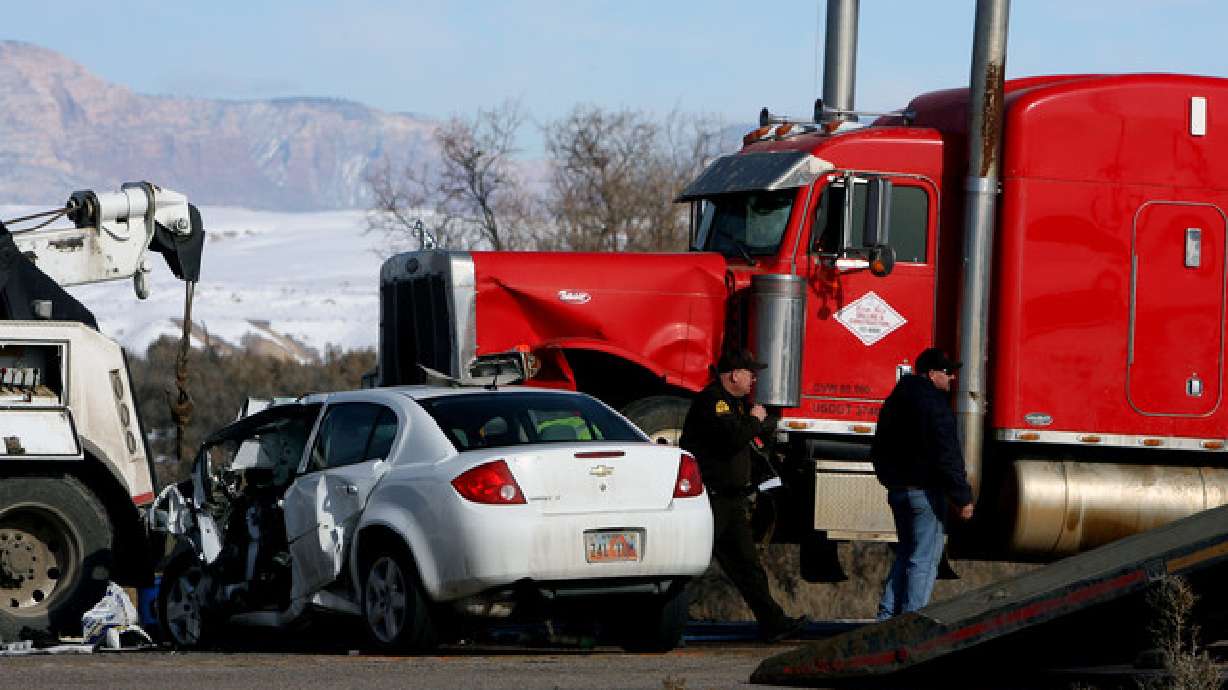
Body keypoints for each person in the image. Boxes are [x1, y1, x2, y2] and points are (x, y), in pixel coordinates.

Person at [679, 348, 806, 642]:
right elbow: (732, 438)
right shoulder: (714, 402)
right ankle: (659, 620)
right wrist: (755, 420)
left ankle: (774, 624)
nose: (753, 379)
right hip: (711, 500)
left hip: (731, 501)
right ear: (734, 374)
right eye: (750, 373)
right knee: (685, 565)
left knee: (748, 566)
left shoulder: (733, 404)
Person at [871, 347, 975, 620]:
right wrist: (962, 497)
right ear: (932, 374)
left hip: (899, 492)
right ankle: (911, 620)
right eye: (947, 372)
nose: (952, 378)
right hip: (925, 493)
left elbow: (879, 445)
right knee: (925, 560)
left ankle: (886, 617)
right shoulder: (935, 404)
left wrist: (889, 480)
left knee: (905, 554)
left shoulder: (895, 399)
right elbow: (947, 453)